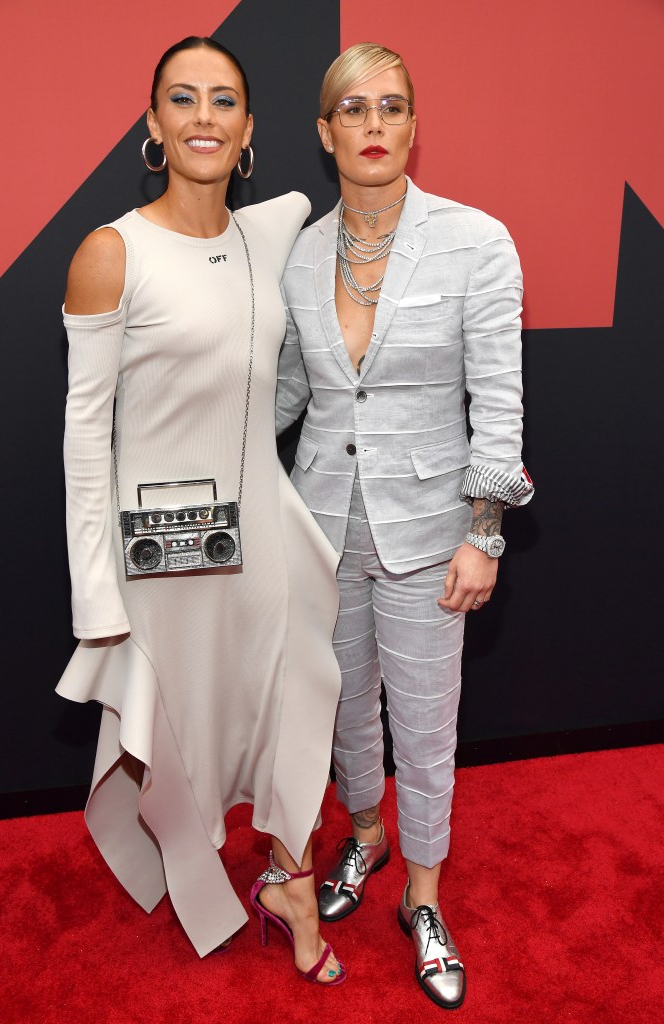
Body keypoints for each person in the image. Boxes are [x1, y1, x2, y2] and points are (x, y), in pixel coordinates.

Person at [57, 35, 345, 984]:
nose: (204, 118)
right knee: (179, 728)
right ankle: (199, 879)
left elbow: (323, 198)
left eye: (223, 101)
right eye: (183, 100)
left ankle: (290, 876)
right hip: (160, 555)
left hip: (260, 533)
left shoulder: (268, 232)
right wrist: (97, 597)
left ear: (250, 129)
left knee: (299, 692)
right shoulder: (111, 252)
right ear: (153, 125)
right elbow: (82, 443)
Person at [276, 42, 533, 1008]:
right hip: (319, 528)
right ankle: (364, 837)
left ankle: (422, 898)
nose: (373, 125)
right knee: (341, 712)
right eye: (353, 109)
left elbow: (496, 401)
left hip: (431, 532)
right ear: (324, 131)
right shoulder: (302, 252)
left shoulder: (476, 240)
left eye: (391, 107)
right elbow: (295, 391)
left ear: (414, 125)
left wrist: (486, 532)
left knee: (424, 727)